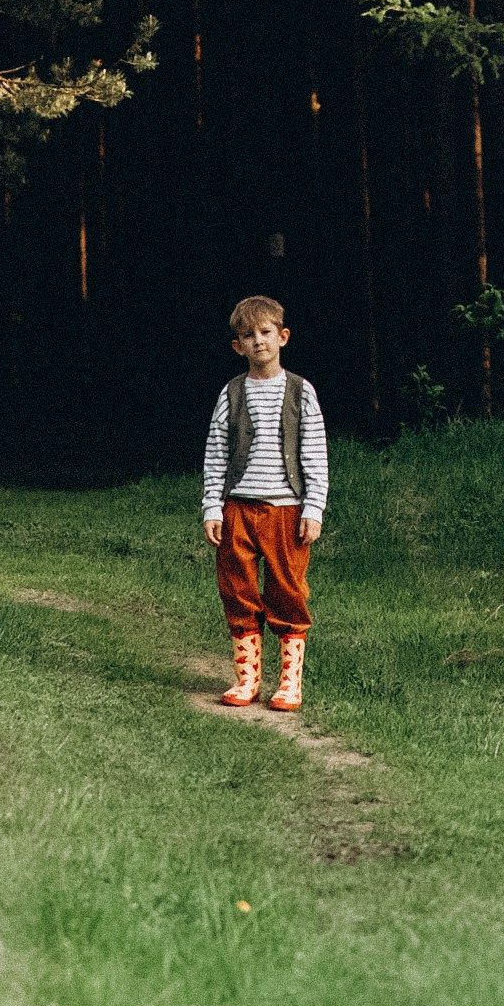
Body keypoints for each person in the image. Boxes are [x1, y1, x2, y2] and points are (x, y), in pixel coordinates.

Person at [201, 292, 328, 710]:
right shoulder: (232, 393)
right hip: (238, 507)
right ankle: (247, 679)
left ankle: (289, 683)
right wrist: (212, 506)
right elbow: (216, 452)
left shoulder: (301, 391)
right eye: (248, 335)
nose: (258, 341)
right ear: (237, 346)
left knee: (288, 591)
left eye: (266, 332)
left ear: (282, 337)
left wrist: (313, 508)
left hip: (286, 511)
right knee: (237, 589)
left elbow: (315, 453)